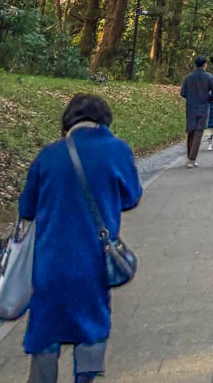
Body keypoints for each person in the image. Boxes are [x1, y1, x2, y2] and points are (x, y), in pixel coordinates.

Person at [17, 93, 141, 383]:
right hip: (94, 261)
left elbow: (26, 209)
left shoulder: (49, 155)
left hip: (49, 263)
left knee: (46, 328)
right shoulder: (118, 150)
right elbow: (131, 198)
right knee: (92, 324)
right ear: (104, 120)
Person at [180, 56, 213, 167]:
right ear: (205, 64)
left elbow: (183, 93)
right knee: (198, 132)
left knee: (190, 131)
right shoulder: (209, 77)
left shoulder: (188, 77)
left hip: (191, 107)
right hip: (203, 107)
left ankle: (189, 156)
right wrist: (208, 99)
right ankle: (192, 159)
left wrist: (191, 97)